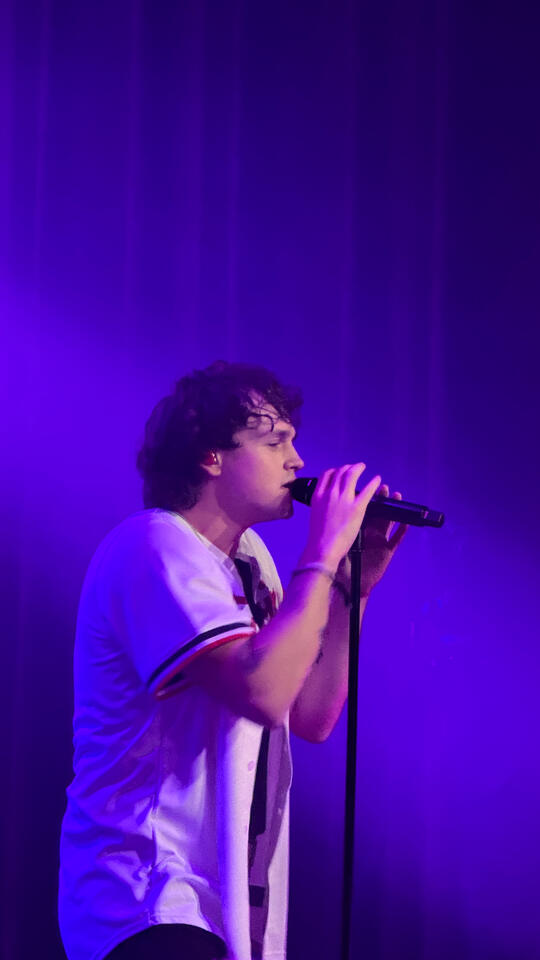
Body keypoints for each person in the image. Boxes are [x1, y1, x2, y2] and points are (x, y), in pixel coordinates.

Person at [58, 361, 407, 960]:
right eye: (275, 442)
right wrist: (322, 552)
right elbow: (262, 691)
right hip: (148, 895)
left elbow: (309, 715)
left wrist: (351, 591)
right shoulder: (154, 544)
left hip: (222, 904)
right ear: (210, 456)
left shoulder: (251, 559)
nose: (297, 461)